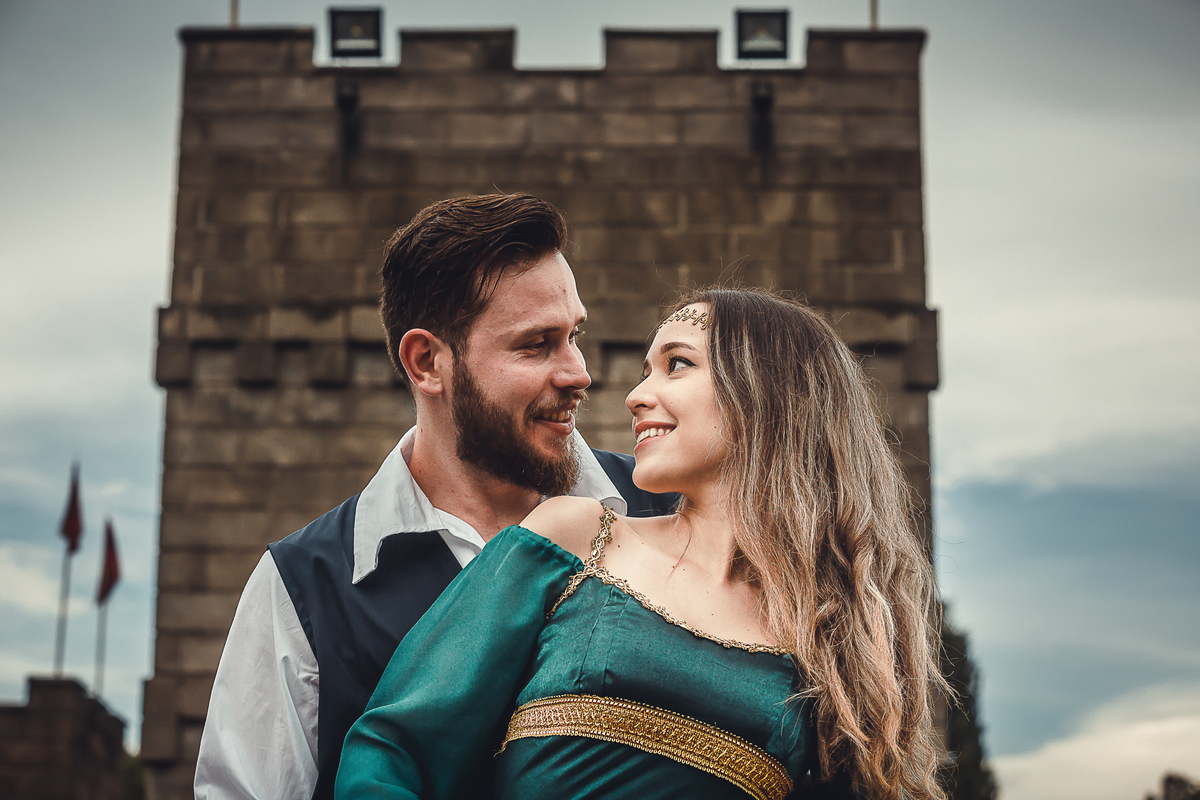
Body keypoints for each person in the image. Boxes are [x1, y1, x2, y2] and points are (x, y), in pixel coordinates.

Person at [334, 288, 949, 800]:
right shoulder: (571, 536)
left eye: (676, 364)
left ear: (767, 392)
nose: (634, 395)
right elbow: (394, 746)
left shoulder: (832, 635)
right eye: (643, 370)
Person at [193, 194, 676, 800]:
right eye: (536, 344)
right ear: (426, 362)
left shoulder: (673, 510)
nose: (578, 371)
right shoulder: (303, 588)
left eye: (575, 335)